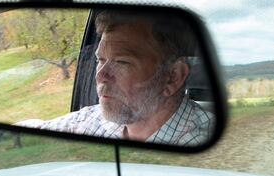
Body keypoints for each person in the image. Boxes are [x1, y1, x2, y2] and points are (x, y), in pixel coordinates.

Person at [20, 9, 215, 146]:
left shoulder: (204, 142)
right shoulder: (95, 121)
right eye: (100, 60)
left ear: (173, 77)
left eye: (122, 62)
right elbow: (36, 130)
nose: (100, 76)